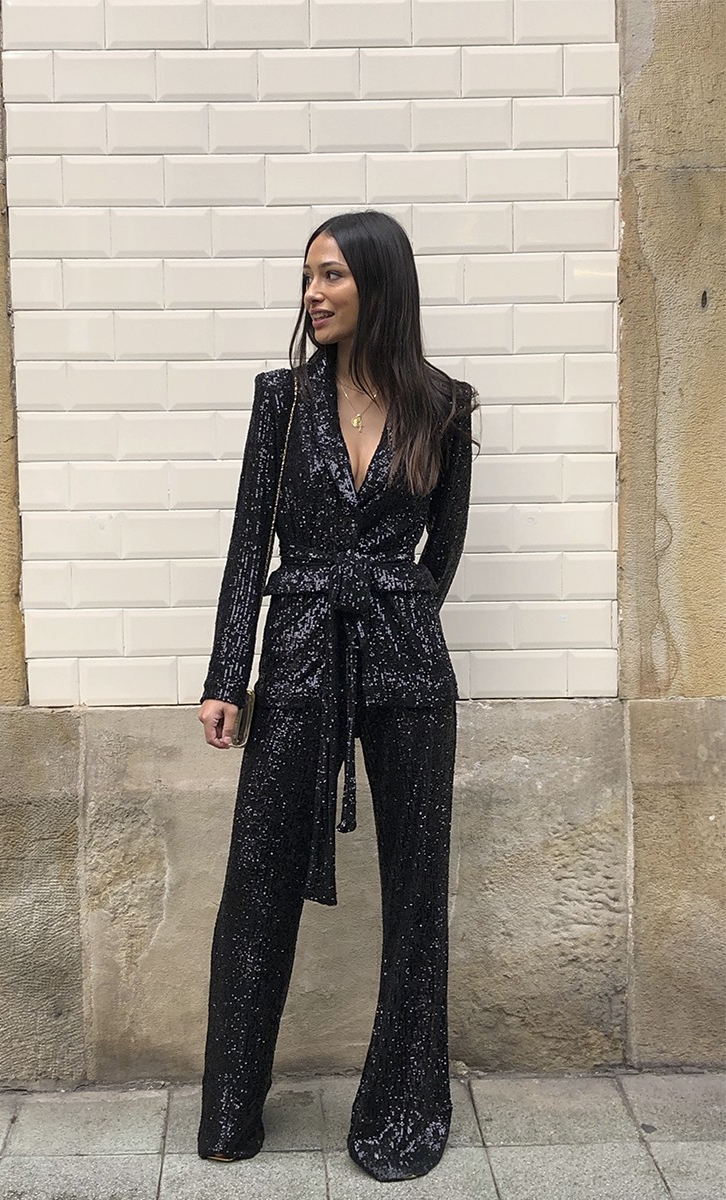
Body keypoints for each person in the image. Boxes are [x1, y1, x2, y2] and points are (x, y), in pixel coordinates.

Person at [196, 210, 477, 1182]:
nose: (311, 294)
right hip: (302, 647)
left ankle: (402, 1109)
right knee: (257, 879)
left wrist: (393, 610)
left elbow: (443, 548)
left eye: (330, 276)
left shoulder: (444, 405)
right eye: (307, 277)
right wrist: (227, 678)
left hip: (407, 661)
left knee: (417, 896)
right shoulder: (280, 402)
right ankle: (230, 1108)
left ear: (377, 284)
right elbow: (247, 548)